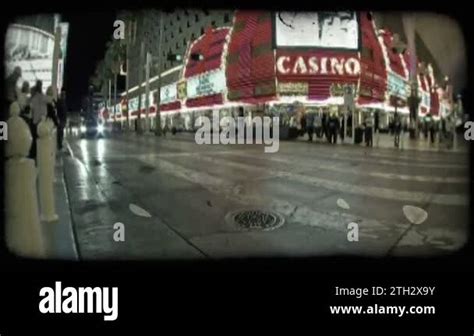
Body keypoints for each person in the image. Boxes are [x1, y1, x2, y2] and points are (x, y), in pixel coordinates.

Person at [29, 81, 48, 160]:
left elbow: (31, 109)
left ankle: (33, 156)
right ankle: (38, 156)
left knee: (34, 140)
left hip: (35, 121)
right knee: (40, 140)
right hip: (41, 121)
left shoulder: (34, 98)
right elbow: (45, 110)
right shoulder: (43, 97)